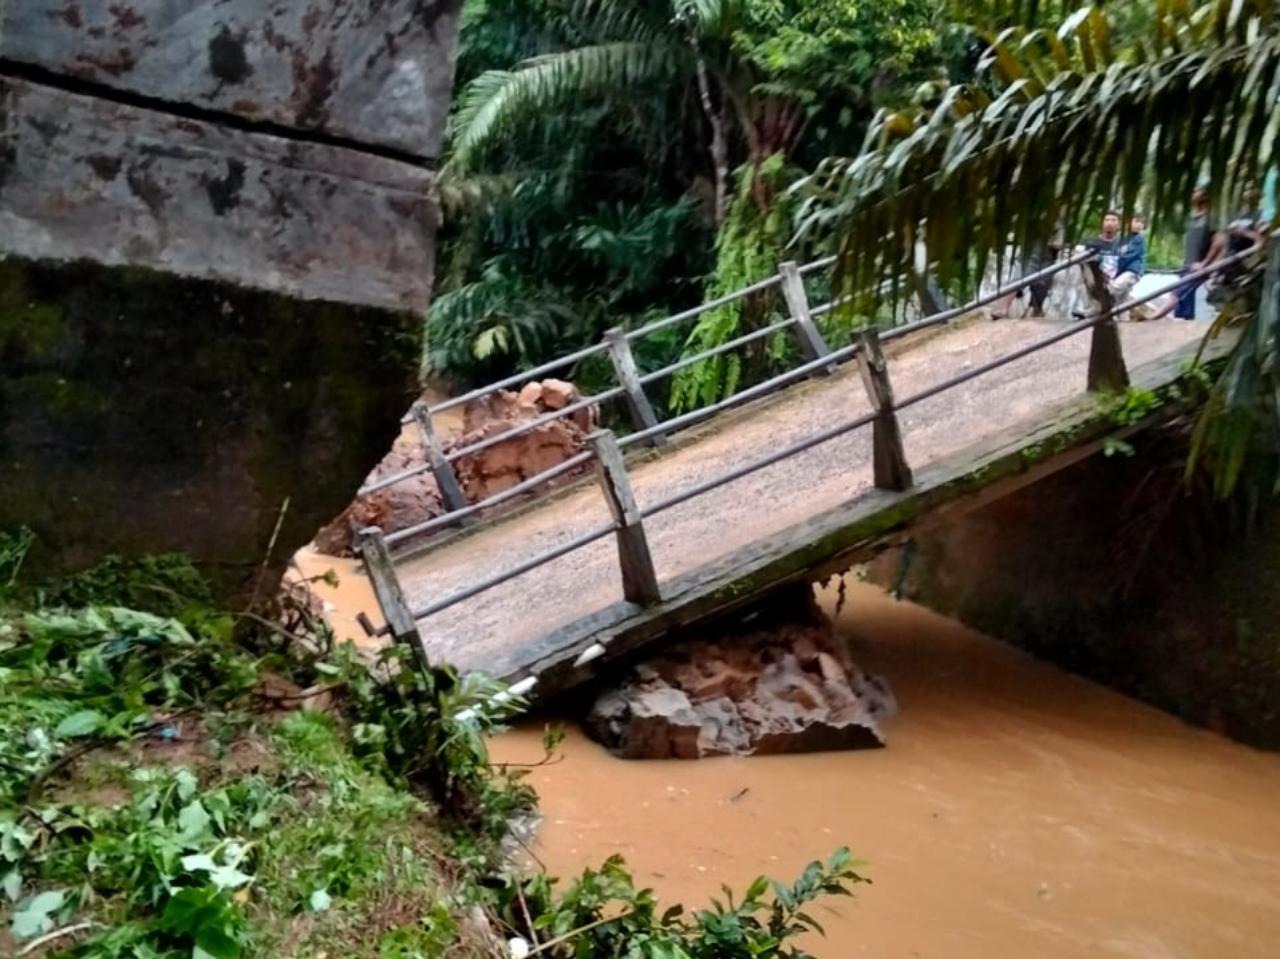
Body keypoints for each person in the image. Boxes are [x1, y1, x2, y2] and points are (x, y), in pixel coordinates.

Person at [1084, 210, 1145, 303]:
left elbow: (1126, 257)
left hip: (1130, 271)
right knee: (1121, 302)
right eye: (1136, 221)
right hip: (1114, 273)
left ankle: (1092, 310)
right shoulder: (1122, 239)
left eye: (1141, 223)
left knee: (1110, 290)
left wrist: (1112, 272)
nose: (1138, 225)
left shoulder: (1137, 239)